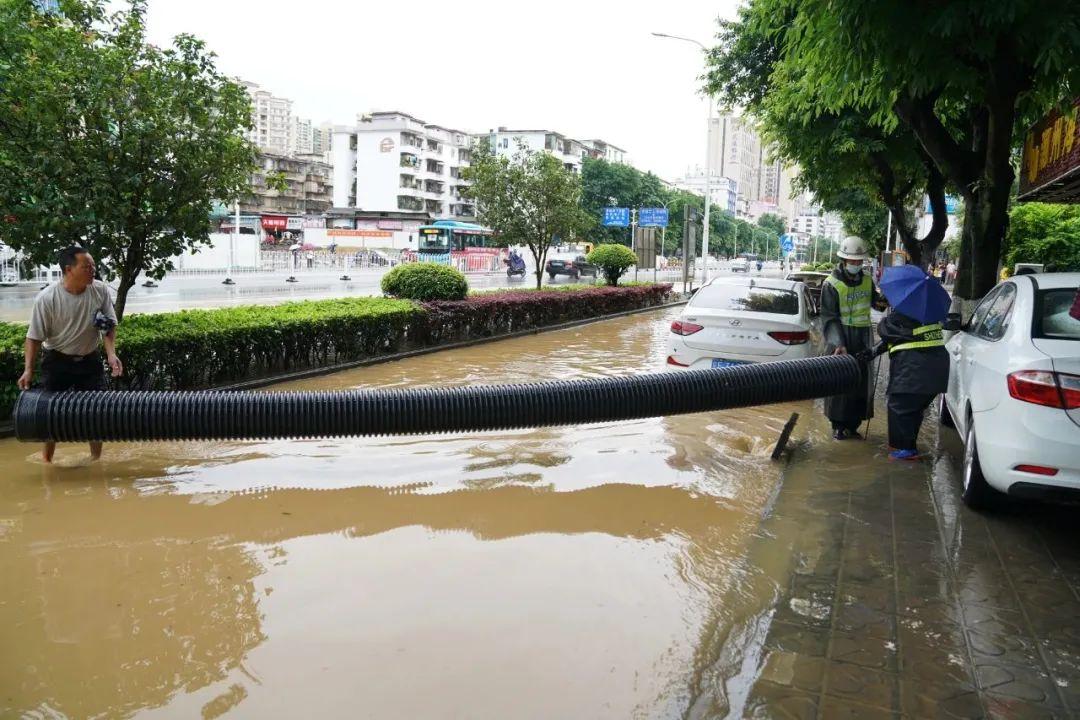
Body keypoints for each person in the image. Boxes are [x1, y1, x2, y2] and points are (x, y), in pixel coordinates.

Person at [17, 246, 123, 463]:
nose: (93, 270)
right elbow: (34, 337)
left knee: (97, 411)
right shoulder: (47, 299)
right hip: (57, 361)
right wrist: (28, 369)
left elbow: (108, 326)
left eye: (93, 266)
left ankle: (96, 460)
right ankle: (47, 462)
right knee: (49, 414)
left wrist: (111, 355)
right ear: (68, 269)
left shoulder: (99, 291)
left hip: (89, 360)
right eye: (87, 267)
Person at [820, 236, 885, 440]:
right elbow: (829, 317)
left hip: (863, 336)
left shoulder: (867, 279)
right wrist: (839, 343)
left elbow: (875, 302)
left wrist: (884, 302)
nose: (856, 264)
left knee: (860, 382)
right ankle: (838, 426)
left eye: (859, 261)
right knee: (840, 382)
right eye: (852, 261)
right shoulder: (831, 284)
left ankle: (853, 424)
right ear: (844, 260)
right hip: (839, 337)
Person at [874, 303, 949, 461]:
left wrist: (885, 320)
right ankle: (909, 446)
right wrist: (872, 352)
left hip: (914, 369)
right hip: (936, 371)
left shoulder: (904, 312)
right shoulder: (930, 311)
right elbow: (900, 336)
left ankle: (905, 450)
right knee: (914, 409)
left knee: (899, 407)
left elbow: (885, 330)